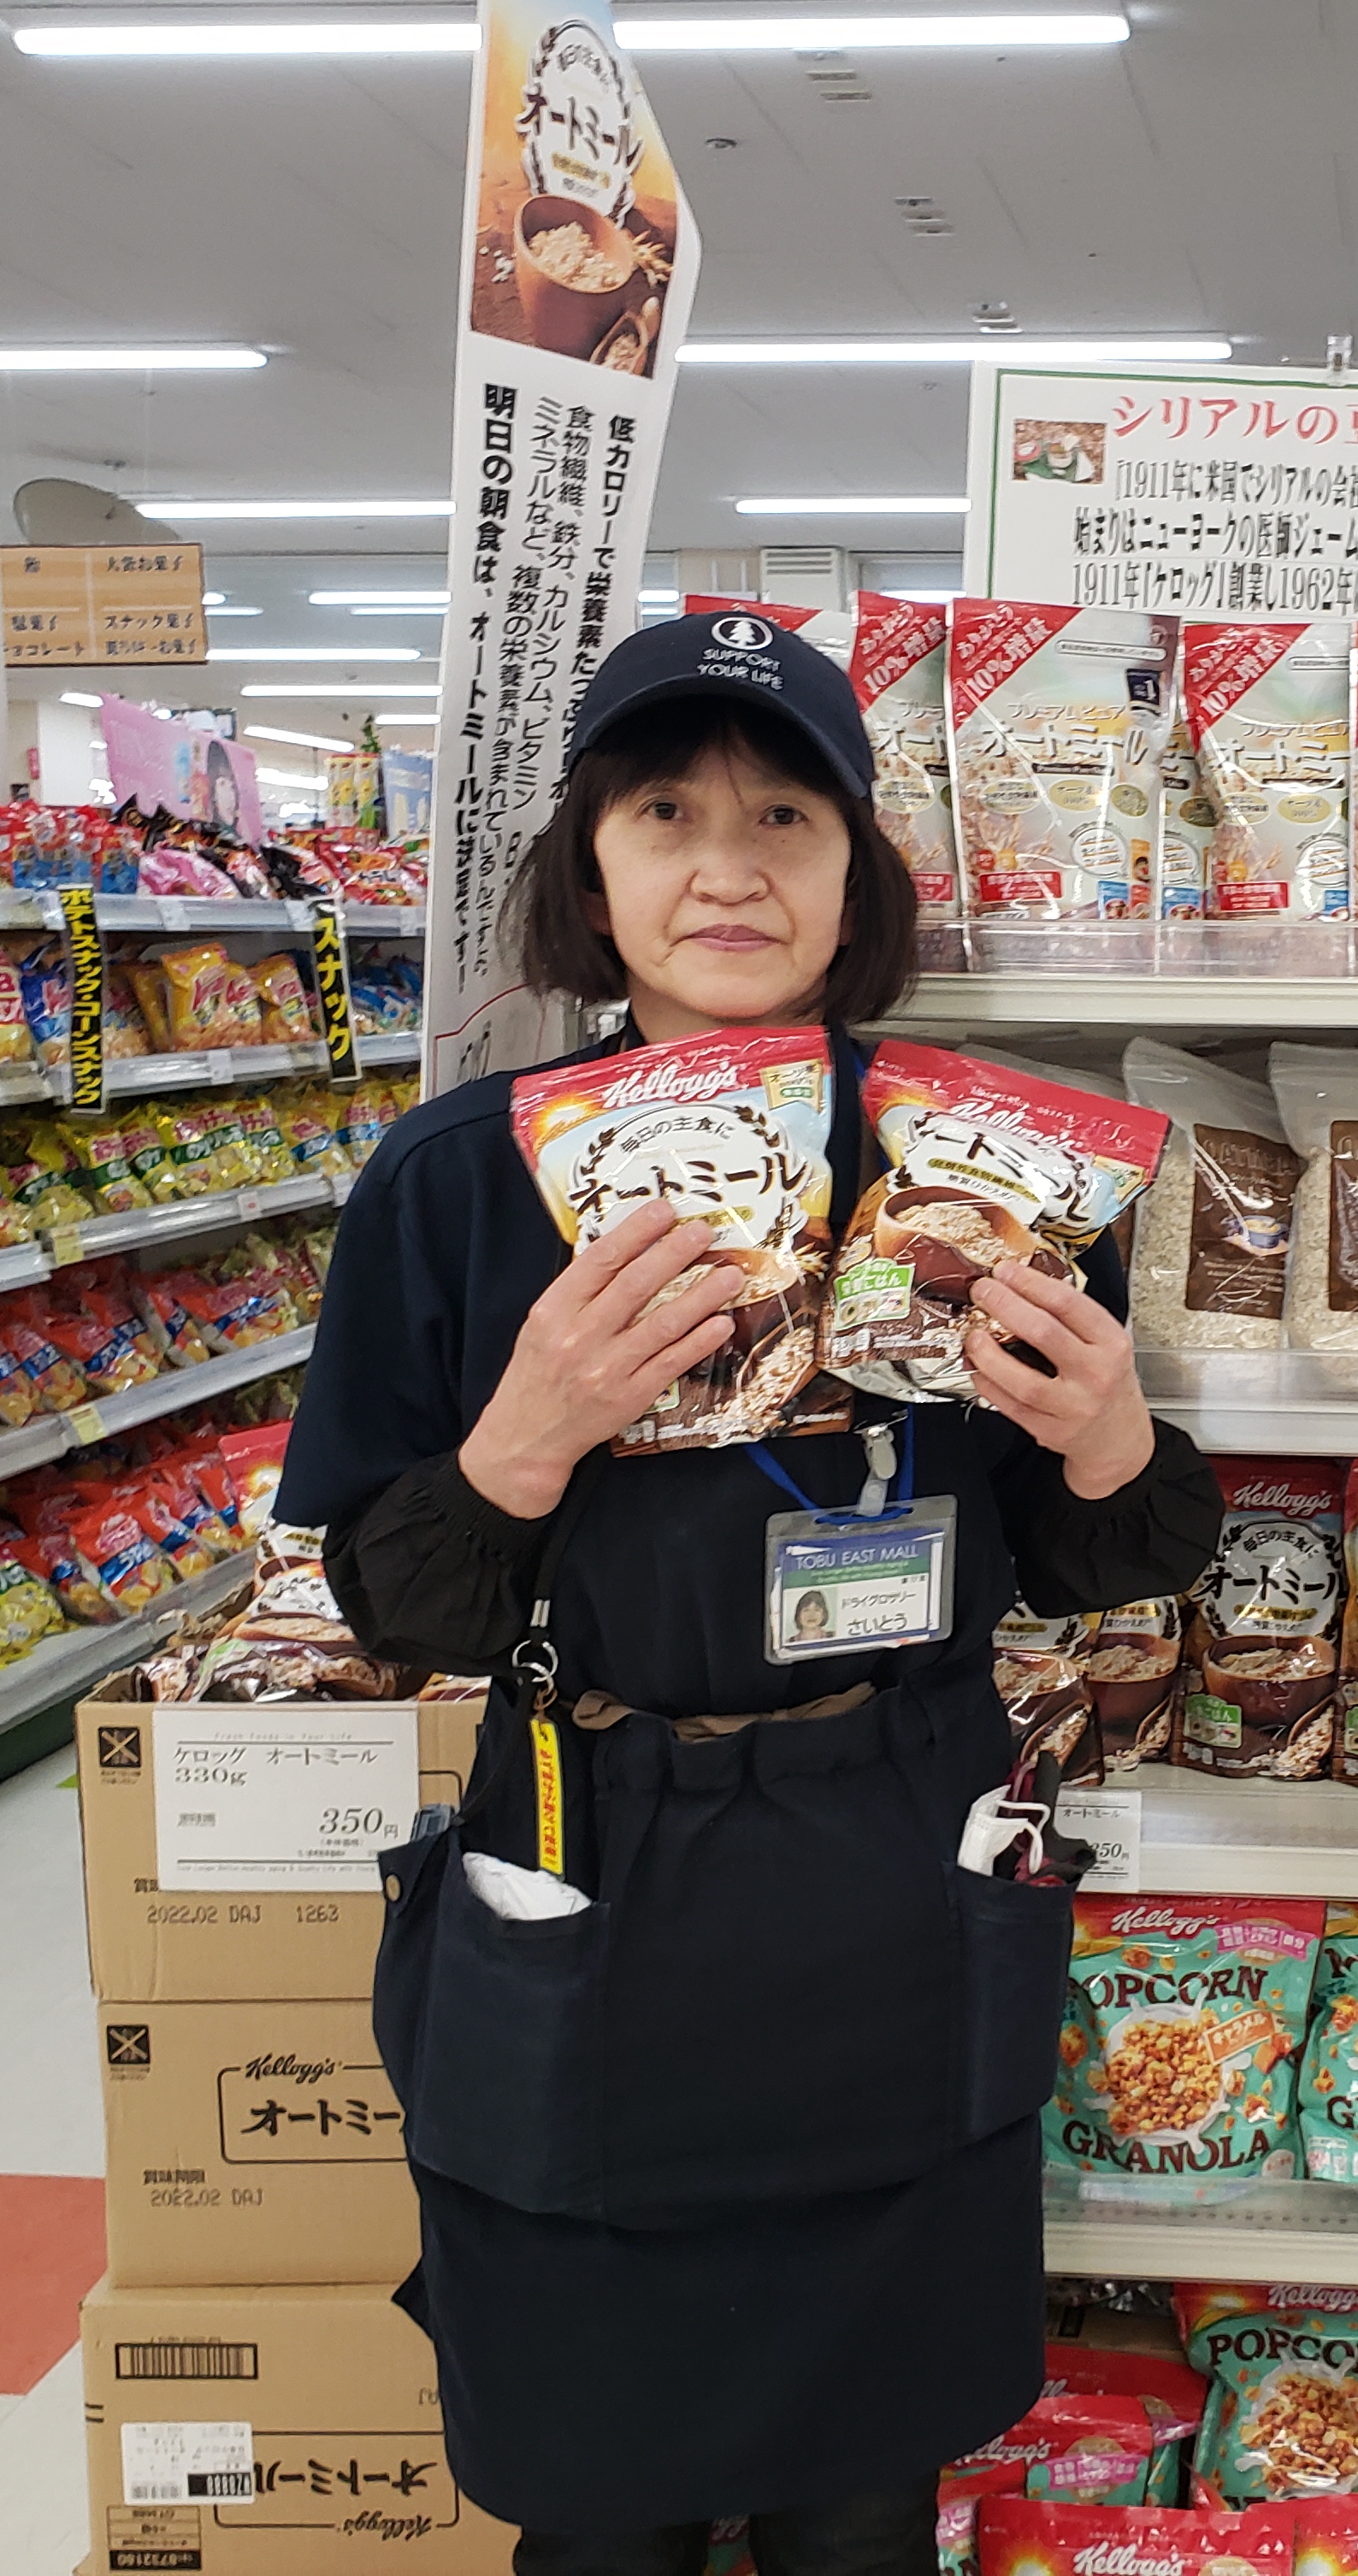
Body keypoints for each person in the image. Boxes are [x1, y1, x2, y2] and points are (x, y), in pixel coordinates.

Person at [275, 611, 1220, 2576]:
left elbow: (1094, 1562)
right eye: (666, 814)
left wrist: (1115, 1440)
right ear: (588, 870)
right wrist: (523, 1439)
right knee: (596, 2515)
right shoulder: (457, 1185)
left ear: (860, 870)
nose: (729, 867)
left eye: (788, 814)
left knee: (865, 2509)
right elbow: (394, 1609)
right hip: (592, 1851)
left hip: (901, 1855)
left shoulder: (979, 1169)